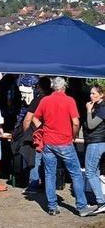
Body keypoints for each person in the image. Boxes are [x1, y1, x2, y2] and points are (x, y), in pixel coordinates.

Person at [32, 77, 94, 217]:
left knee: (49, 174)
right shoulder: (69, 101)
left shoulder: (45, 100)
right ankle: (82, 207)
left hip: (48, 142)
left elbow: (35, 118)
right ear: (64, 87)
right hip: (65, 142)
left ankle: (52, 206)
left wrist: (42, 129)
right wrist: (73, 135)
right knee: (76, 174)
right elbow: (76, 122)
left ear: (53, 87)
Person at [21, 77, 52, 195]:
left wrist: (25, 133)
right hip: (53, 132)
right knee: (49, 159)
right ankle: (46, 184)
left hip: (39, 134)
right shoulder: (52, 99)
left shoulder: (38, 100)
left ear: (39, 87)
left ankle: (33, 185)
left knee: (36, 158)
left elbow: (28, 118)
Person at [84, 85, 105, 215]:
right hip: (97, 141)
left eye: (94, 94)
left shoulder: (102, 109)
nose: (91, 96)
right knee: (95, 172)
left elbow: (91, 125)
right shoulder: (98, 107)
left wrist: (88, 110)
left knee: (90, 172)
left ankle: (101, 201)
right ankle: (100, 200)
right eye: (90, 93)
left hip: (96, 142)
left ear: (101, 95)